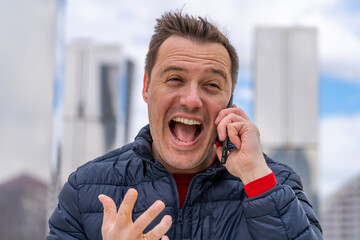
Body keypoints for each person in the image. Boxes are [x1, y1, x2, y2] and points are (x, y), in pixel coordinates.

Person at [46, 11, 322, 240]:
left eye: (212, 85)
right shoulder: (84, 189)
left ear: (230, 101)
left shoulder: (275, 183)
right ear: (146, 87)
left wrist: (256, 178)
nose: (192, 100)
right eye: (175, 79)